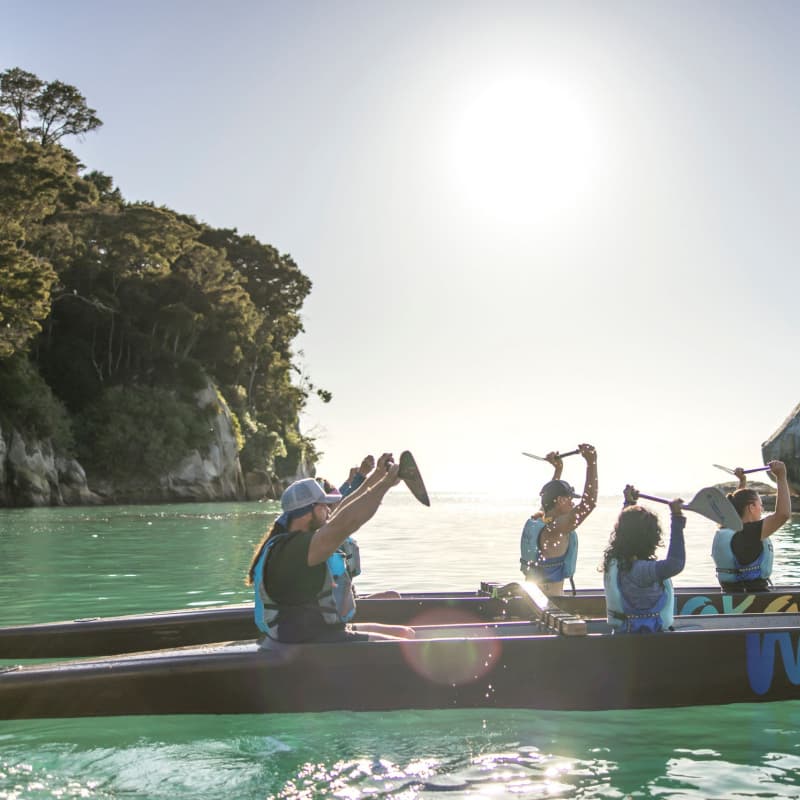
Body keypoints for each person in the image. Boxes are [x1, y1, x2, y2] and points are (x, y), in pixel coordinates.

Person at [245, 453, 414, 643]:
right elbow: (347, 522)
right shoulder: (294, 549)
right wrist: (385, 484)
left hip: (320, 630)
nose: (329, 509)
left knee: (406, 633)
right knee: (406, 646)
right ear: (306, 512)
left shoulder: (299, 540)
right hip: (308, 641)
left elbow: (343, 511)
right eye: (324, 505)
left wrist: (379, 476)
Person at [602, 486, 686, 633]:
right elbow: (675, 564)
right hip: (647, 638)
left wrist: (629, 503)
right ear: (650, 538)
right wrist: (676, 518)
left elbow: (629, 528)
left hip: (625, 633)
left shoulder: (619, 561)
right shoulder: (640, 571)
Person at [519, 443, 598, 595]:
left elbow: (548, 498)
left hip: (531, 598)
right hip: (550, 602)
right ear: (560, 500)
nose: (573, 504)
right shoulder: (556, 529)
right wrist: (591, 462)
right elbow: (589, 503)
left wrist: (558, 469)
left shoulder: (542, 520)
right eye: (570, 499)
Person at [711, 460, 791, 592]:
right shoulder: (750, 533)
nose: (762, 509)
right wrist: (781, 477)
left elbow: (737, 504)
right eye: (760, 505)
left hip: (729, 594)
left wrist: (742, 481)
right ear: (751, 507)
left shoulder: (726, 530)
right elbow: (783, 514)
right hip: (752, 598)